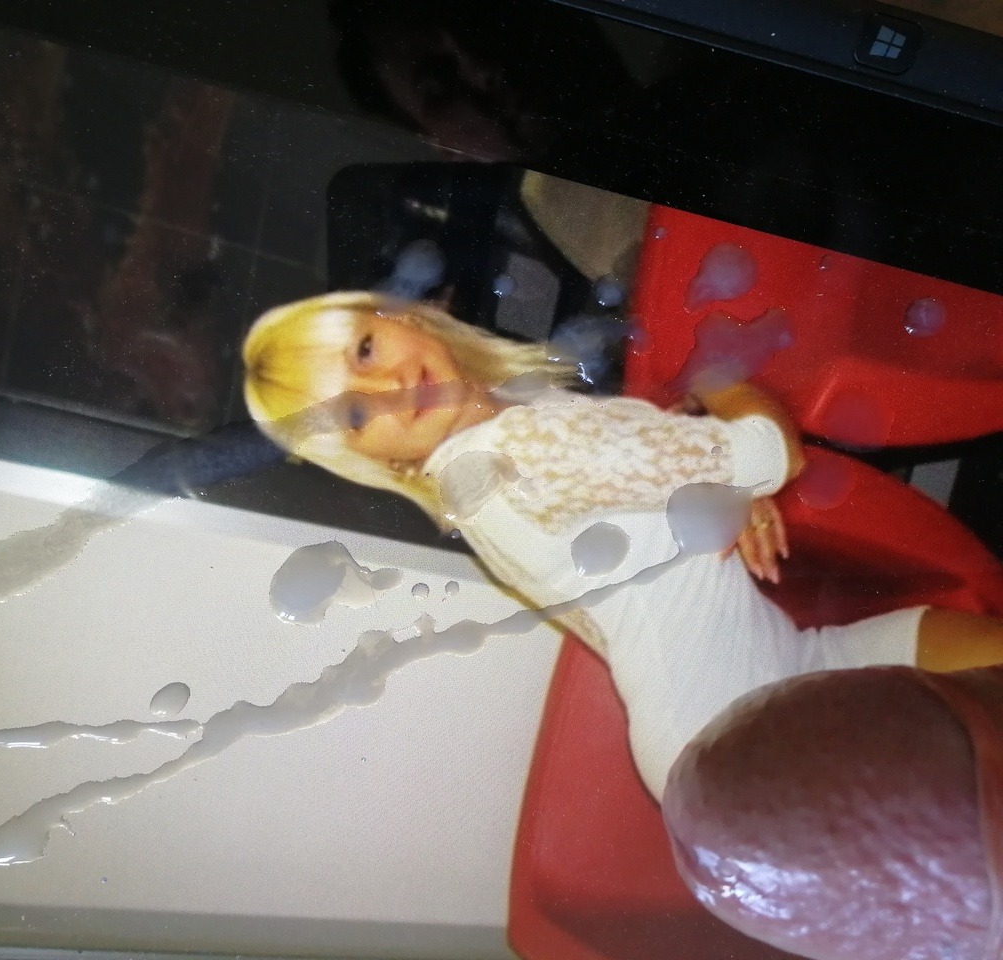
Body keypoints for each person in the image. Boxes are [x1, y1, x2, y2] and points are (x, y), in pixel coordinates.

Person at [242, 290, 1003, 800]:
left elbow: (635, 487)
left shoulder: (473, 475)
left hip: (771, 686)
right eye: (352, 415)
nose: (390, 388)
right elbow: (774, 452)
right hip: (750, 747)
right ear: (366, 456)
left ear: (395, 317)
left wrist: (715, 479)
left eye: (365, 349)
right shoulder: (527, 441)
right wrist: (719, 383)